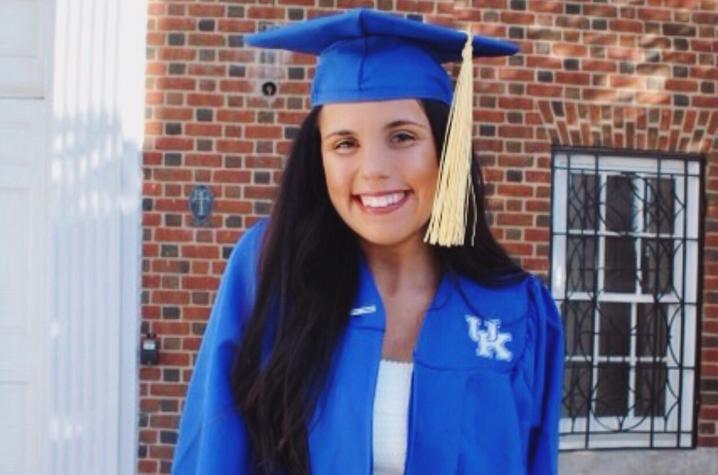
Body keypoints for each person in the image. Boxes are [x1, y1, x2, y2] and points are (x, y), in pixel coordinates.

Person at [171, 8, 564, 475]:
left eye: (402, 136)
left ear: (446, 146)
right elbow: (212, 451)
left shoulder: (516, 310)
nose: (374, 169)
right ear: (318, 158)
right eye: (344, 143)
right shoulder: (270, 270)